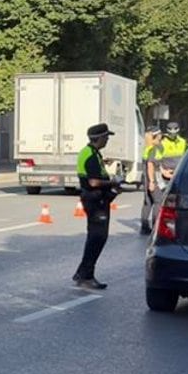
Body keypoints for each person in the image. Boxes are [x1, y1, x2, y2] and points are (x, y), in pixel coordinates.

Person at [73, 122, 118, 289]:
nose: (107, 140)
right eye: (106, 137)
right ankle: (86, 276)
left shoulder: (92, 153)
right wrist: (111, 182)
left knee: (96, 237)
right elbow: (92, 181)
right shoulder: (91, 155)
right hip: (95, 200)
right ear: (99, 138)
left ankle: (82, 272)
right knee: (97, 237)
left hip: (96, 199)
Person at [142, 121, 188, 234]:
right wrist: (152, 182)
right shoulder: (155, 147)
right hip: (154, 178)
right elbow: (151, 165)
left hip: (157, 176)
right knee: (158, 201)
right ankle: (155, 227)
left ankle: (145, 227)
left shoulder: (153, 146)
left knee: (148, 201)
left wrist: (165, 172)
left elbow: (157, 165)